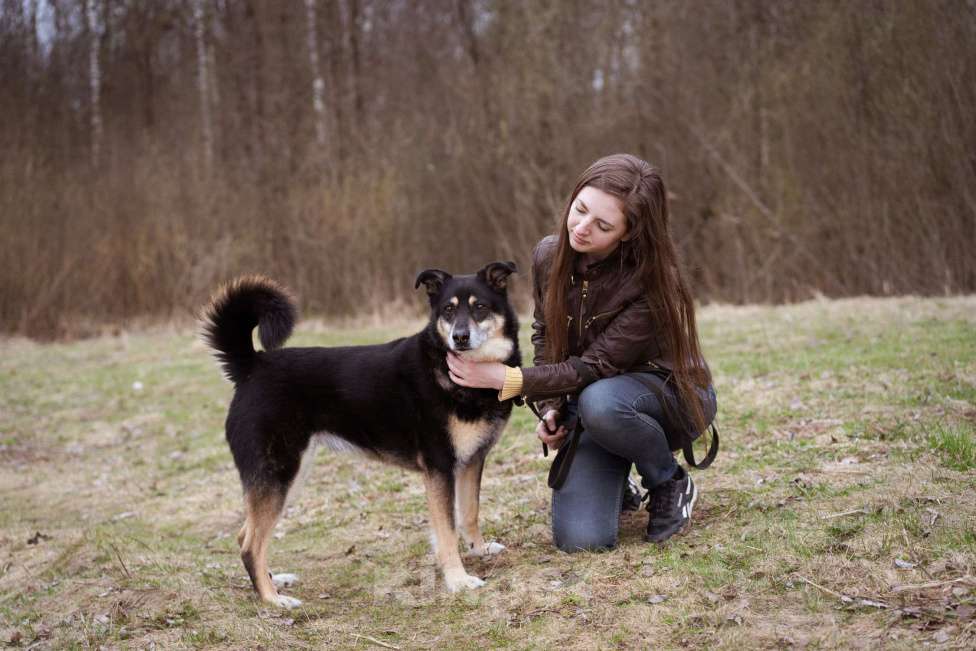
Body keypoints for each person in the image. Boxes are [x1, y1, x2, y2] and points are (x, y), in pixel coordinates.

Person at [446, 153, 717, 552]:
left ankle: (668, 480)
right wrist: (553, 407)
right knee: (582, 540)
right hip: (595, 404)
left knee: (601, 403)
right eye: (580, 210)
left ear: (628, 233)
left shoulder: (654, 281)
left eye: (603, 225)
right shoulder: (549, 256)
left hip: (669, 397)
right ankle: (616, 472)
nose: (582, 228)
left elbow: (595, 366)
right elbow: (545, 334)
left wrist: (509, 380)